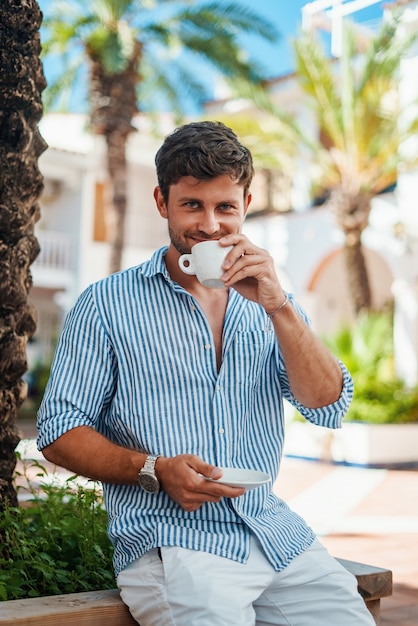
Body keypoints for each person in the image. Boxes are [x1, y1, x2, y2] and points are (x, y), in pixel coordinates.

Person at [37, 121, 374, 626]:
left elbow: (327, 404)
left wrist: (278, 305)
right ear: (162, 201)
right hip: (176, 546)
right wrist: (153, 469)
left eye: (225, 207)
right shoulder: (106, 305)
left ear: (247, 204)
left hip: (274, 534)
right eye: (192, 205)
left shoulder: (270, 301)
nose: (211, 226)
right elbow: (58, 431)